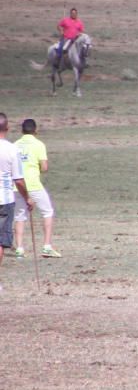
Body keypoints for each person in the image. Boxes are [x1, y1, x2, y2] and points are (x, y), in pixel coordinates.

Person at [13, 119, 59, 258]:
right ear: (35, 130)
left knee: (20, 216)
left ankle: (19, 248)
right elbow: (44, 167)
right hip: (33, 185)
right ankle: (47, 246)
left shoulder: (15, 145)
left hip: (17, 185)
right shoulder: (39, 144)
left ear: (22, 130)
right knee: (47, 211)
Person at [0, 113, 33, 275]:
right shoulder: (12, 149)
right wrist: (27, 197)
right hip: (4, 199)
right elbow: (18, 180)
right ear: (7, 128)